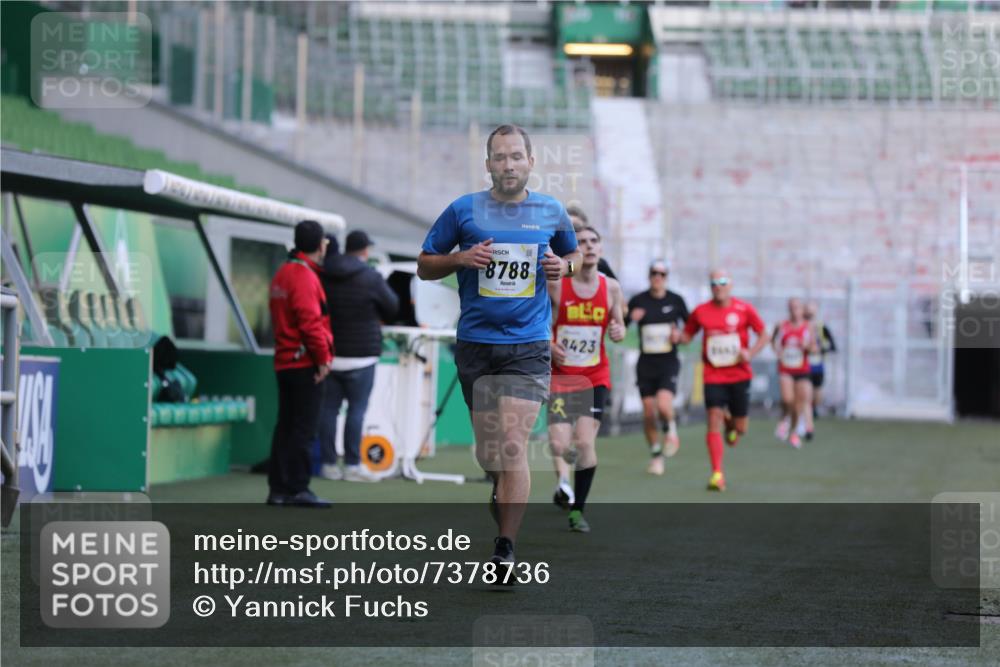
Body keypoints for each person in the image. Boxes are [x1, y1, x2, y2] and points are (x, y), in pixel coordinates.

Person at [417, 124, 580, 574]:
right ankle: (502, 495)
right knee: (490, 455)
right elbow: (424, 265)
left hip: (528, 345)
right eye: (500, 157)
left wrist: (563, 266)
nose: (508, 165)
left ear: (531, 162)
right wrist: (459, 258)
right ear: (488, 164)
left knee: (512, 445)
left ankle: (505, 547)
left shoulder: (550, 211)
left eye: (516, 156)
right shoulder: (463, 210)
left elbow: (574, 257)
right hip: (476, 345)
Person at [547, 225, 626, 532]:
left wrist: (618, 330)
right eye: (582, 242)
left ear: (601, 249)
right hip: (561, 377)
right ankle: (567, 482)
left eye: (594, 241)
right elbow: (539, 322)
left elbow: (619, 326)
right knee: (559, 445)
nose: (589, 246)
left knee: (583, 442)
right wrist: (549, 345)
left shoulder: (612, 288)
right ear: (574, 252)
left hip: (594, 376)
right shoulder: (557, 285)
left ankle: (577, 511)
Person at [319, 230, 399, 482]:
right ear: (365, 250)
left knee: (328, 411)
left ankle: (328, 465)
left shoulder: (324, 273)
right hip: (362, 355)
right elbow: (392, 306)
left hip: (330, 353)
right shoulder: (370, 277)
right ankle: (352, 465)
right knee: (356, 411)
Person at [679, 269, 769, 492]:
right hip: (713, 375)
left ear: (730, 285)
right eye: (713, 283)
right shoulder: (701, 311)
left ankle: (731, 423)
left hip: (739, 375)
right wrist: (677, 337)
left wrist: (750, 353)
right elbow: (688, 334)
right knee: (713, 418)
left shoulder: (744, 309)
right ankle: (717, 474)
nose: (718, 286)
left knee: (740, 428)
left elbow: (764, 334)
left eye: (722, 282)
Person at [267, 220, 334, 507]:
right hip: (304, 363)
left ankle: (278, 490)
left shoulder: (283, 272)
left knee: (285, 426)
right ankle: (298, 488)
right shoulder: (304, 276)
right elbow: (310, 324)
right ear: (320, 245)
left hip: (285, 361)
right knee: (303, 429)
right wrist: (322, 359)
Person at [627, 260, 690, 475]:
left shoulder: (676, 300)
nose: (657, 277)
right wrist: (630, 318)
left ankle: (671, 430)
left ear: (666, 277)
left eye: (662, 274)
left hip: (668, 362)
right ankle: (656, 455)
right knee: (648, 413)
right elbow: (620, 325)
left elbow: (689, 330)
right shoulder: (638, 300)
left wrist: (679, 336)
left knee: (663, 405)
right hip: (646, 363)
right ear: (649, 276)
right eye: (654, 273)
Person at [772, 298, 817, 448]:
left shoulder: (808, 326)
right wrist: (776, 350)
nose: (794, 311)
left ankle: (794, 433)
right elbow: (772, 340)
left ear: (802, 310)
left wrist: (807, 346)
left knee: (800, 403)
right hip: (786, 368)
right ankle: (784, 419)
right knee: (787, 399)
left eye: (797, 307)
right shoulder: (782, 325)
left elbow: (814, 348)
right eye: (791, 308)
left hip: (802, 369)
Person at [566, 205, 616, 280]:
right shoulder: (557, 260)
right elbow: (569, 271)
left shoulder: (599, 264)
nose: (589, 246)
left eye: (577, 228)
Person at [804, 302, 836, 419]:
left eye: (812, 311)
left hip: (817, 365)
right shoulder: (800, 326)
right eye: (807, 311)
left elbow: (832, 346)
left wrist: (820, 349)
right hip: (803, 366)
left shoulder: (822, 328)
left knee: (817, 390)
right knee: (804, 389)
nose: (809, 314)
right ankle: (805, 410)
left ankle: (813, 408)